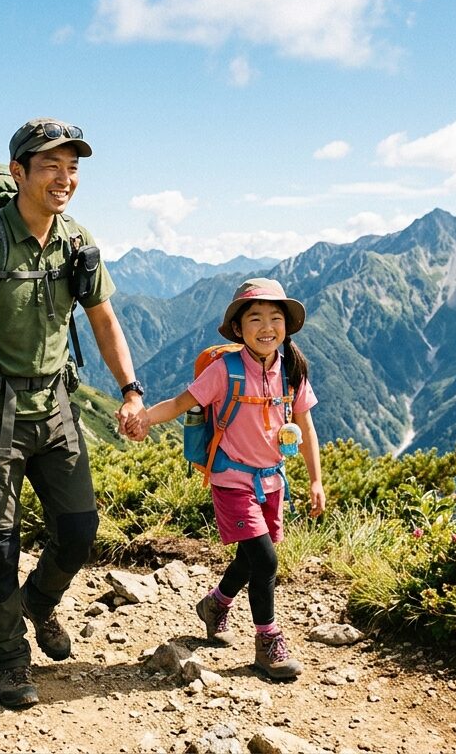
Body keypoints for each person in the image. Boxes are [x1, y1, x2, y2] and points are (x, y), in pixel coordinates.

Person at [0, 117, 147, 707]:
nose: (64, 178)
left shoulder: (77, 241)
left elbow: (102, 319)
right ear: (18, 172)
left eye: (72, 168)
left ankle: (38, 604)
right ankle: (11, 660)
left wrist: (130, 388)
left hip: (56, 410)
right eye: (51, 166)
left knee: (78, 533)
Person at [134, 277, 326, 680]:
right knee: (266, 559)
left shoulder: (293, 371)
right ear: (238, 329)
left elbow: (306, 429)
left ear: (287, 326)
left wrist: (315, 481)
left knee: (251, 555)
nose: (267, 327)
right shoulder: (225, 370)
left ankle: (216, 603)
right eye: (255, 318)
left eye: (276, 318)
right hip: (231, 478)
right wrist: (145, 417)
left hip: (273, 481)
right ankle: (268, 644)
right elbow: (183, 402)